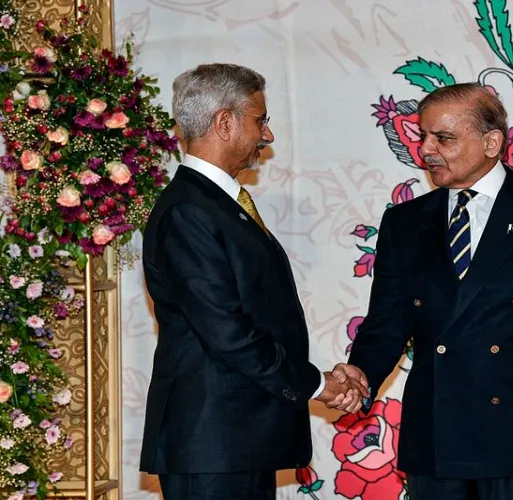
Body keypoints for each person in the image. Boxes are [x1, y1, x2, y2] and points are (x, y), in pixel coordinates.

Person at [335, 82, 513, 500]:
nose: (426, 149)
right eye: (423, 136)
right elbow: (388, 321)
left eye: (443, 138)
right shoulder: (405, 223)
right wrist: (361, 375)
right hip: (436, 438)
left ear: (491, 142)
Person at [139, 63, 365, 500]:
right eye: (260, 119)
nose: (268, 135)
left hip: (235, 440)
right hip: (213, 443)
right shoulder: (190, 211)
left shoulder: (214, 205)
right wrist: (317, 384)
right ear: (225, 122)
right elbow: (227, 332)